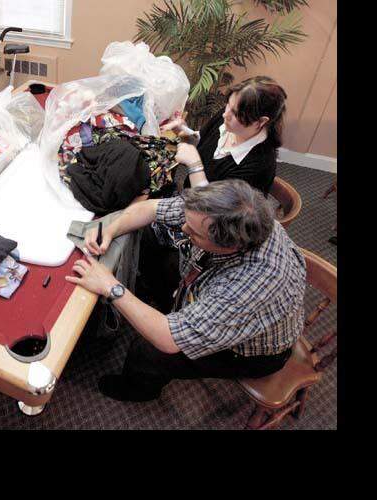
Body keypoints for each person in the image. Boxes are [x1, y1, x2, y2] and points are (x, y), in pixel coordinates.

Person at [66, 179, 306, 402]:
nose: (183, 227)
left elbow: (168, 340)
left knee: (148, 351)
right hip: (212, 291)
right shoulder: (222, 212)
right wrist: (111, 229)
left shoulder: (251, 285)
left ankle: (138, 390)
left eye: (194, 232)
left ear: (229, 245)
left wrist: (111, 286)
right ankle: (166, 308)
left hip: (250, 353)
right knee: (152, 238)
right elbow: (151, 209)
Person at [162, 76, 287, 196]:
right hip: (190, 196)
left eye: (235, 113)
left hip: (207, 213)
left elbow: (212, 209)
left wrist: (194, 165)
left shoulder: (258, 166)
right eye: (228, 104)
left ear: (261, 121)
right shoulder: (227, 117)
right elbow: (204, 141)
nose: (225, 114)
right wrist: (183, 130)